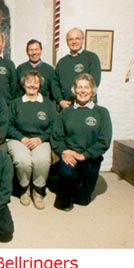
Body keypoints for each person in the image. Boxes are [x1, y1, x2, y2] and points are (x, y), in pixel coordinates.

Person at [50, 73, 112, 211]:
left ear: (92, 91)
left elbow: (104, 140)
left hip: (90, 159)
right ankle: (63, 182)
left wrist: (84, 155)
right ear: (74, 90)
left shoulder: (102, 112)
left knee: (82, 201)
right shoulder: (66, 113)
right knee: (63, 203)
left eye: (86, 87)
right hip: (69, 157)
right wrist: (64, 152)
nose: (82, 91)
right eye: (79, 87)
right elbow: (56, 137)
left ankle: (72, 186)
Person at [6, 70, 57, 209]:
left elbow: (54, 126)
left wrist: (40, 139)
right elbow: (8, 125)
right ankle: (24, 189)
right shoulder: (15, 103)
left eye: (36, 82)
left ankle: (38, 190)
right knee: (23, 160)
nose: (32, 85)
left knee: (42, 160)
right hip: (18, 139)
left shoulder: (47, 104)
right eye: (29, 82)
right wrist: (21, 138)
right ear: (23, 84)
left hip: (40, 140)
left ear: (40, 85)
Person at [51, 28, 101, 109]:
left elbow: (94, 82)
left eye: (77, 38)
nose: (74, 42)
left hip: (86, 106)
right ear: (67, 42)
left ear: (82, 40)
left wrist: (80, 101)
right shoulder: (62, 62)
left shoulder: (91, 58)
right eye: (71, 39)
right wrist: (60, 101)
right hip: (66, 107)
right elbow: (54, 84)